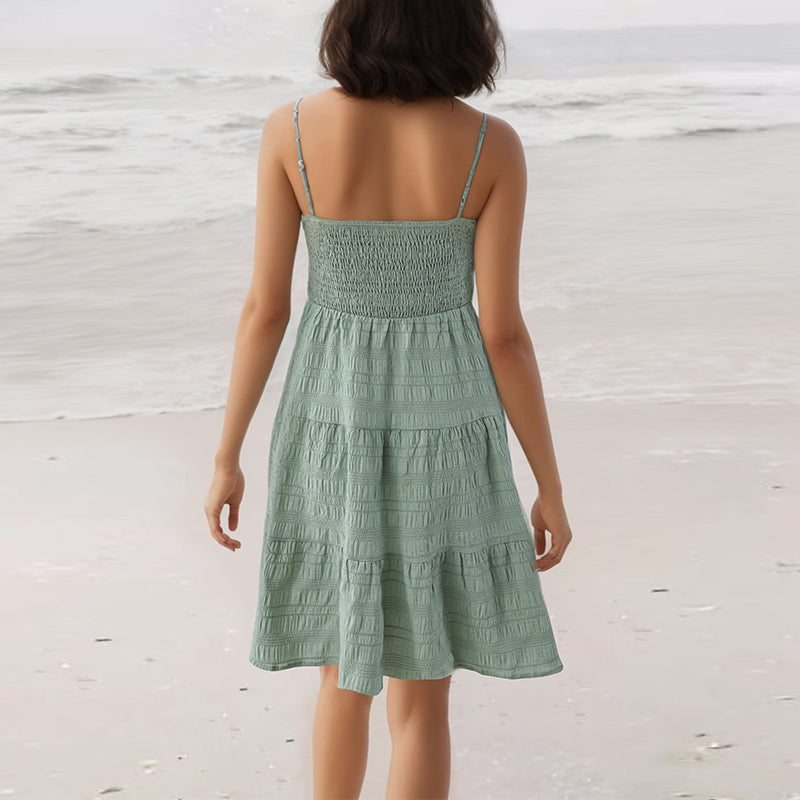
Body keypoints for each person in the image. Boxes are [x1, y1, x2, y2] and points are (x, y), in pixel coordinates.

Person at [204, 1, 573, 797]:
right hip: (446, 421)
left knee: (344, 664)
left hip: (331, 414)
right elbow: (503, 335)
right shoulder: (491, 146)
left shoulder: (290, 131)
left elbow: (265, 309)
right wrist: (548, 482)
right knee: (424, 687)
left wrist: (227, 457)